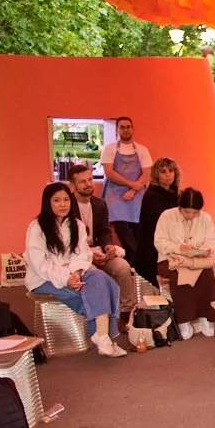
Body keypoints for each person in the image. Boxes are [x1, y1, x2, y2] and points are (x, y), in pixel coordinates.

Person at [24, 183, 127, 357]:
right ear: (47, 203)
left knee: (100, 278)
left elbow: (82, 255)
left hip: (76, 273)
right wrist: (66, 278)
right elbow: (39, 264)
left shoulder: (77, 225)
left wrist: (76, 273)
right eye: (57, 200)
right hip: (44, 279)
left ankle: (101, 336)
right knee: (93, 293)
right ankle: (103, 336)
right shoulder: (36, 227)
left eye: (66, 200)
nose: (62, 204)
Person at [68, 164, 135, 327]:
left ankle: (126, 314)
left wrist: (108, 247)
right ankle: (98, 318)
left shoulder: (100, 204)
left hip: (98, 251)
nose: (88, 184)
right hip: (75, 256)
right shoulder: (66, 206)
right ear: (72, 186)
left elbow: (104, 232)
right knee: (97, 277)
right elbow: (67, 241)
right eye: (82, 181)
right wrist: (89, 257)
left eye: (90, 179)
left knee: (123, 268)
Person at [154, 188, 215, 339]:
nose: (190, 216)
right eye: (186, 212)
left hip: (197, 260)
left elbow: (211, 243)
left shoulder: (205, 218)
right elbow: (159, 241)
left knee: (207, 276)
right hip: (171, 260)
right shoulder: (167, 216)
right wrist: (178, 248)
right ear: (180, 208)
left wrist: (203, 251)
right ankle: (183, 320)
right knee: (180, 277)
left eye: (194, 213)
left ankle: (206, 317)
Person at [100, 116, 153, 264]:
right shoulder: (109, 149)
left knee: (138, 233)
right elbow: (109, 173)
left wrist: (134, 189)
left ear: (133, 128)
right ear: (117, 130)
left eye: (128, 126)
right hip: (116, 197)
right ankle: (139, 262)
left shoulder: (142, 150)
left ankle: (134, 265)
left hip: (138, 196)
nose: (125, 130)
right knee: (123, 232)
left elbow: (146, 173)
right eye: (122, 127)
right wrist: (131, 184)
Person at [135, 157, 181, 285]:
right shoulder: (151, 195)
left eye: (171, 171)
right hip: (152, 249)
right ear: (157, 175)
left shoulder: (175, 193)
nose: (168, 175)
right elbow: (157, 223)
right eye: (163, 172)